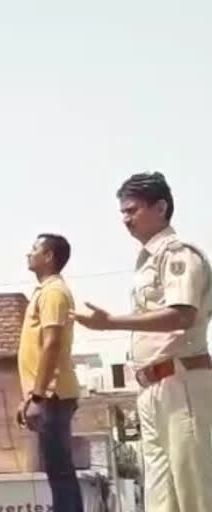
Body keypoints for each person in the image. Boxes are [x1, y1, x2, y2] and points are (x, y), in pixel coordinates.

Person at [75, 172, 212, 512]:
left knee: (194, 489)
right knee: (160, 498)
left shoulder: (179, 254)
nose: (126, 220)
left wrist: (111, 324)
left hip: (181, 383)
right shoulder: (146, 262)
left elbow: (182, 314)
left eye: (132, 210)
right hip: (152, 387)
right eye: (123, 212)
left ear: (161, 207)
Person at [16, 234, 83, 512]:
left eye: (34, 249)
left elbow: (52, 343)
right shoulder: (45, 292)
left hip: (53, 396)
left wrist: (39, 396)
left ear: (49, 256)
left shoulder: (54, 292)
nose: (28, 253)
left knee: (61, 472)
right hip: (46, 395)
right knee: (56, 471)